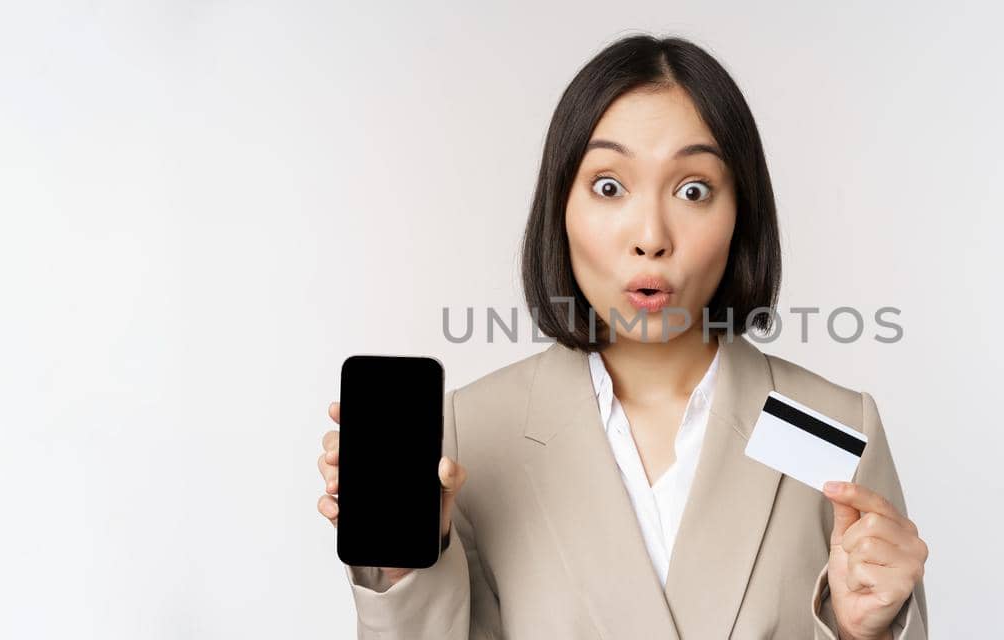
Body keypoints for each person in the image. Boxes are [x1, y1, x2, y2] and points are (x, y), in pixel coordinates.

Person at [315, 34, 929, 640]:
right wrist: (402, 572)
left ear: (741, 213)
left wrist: (864, 632)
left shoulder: (836, 430)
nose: (651, 235)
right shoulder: (468, 437)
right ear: (561, 206)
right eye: (609, 186)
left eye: (694, 190)